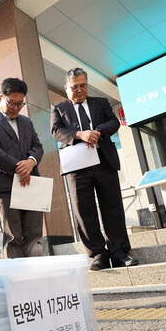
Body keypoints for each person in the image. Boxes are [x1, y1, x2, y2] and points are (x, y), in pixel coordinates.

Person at [50, 67, 137, 271]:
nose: (79, 90)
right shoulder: (59, 108)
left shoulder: (102, 103)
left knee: (112, 207)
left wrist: (98, 132)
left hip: (104, 161)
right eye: (74, 87)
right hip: (77, 167)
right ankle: (98, 254)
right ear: (66, 87)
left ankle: (119, 252)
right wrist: (80, 135)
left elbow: (114, 121)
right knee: (84, 210)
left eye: (83, 86)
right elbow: (56, 131)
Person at [0, 78, 44, 258]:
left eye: (20, 104)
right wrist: (19, 168)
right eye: (11, 103)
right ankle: (18, 281)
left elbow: (37, 147)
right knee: (12, 237)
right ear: (0, 97)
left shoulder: (26, 122)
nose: (15, 107)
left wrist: (31, 161)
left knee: (35, 236)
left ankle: (37, 278)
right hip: (5, 186)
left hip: (31, 184)